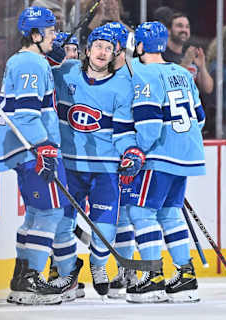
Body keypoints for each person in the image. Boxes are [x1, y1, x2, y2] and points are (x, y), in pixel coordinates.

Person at [51, 25, 141, 298]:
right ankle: (67, 276)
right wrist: (50, 56)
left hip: (105, 169)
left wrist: (131, 153)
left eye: (109, 47)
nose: (103, 51)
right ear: (87, 50)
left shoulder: (121, 86)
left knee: (106, 228)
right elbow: (39, 78)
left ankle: (98, 264)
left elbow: (124, 131)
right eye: (98, 46)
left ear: (115, 53)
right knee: (60, 224)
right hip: (69, 166)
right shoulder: (65, 73)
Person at [0, 6, 76, 306]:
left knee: (35, 213)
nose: (54, 36)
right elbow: (28, 114)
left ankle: (22, 278)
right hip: (33, 149)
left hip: (26, 149)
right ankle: (30, 279)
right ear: (35, 34)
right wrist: (43, 147)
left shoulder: (28, 60)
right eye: (51, 31)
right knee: (51, 213)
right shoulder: (30, 63)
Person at [123, 21, 206, 304]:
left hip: (158, 157)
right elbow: (201, 118)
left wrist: (136, 151)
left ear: (141, 46)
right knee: (169, 214)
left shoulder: (143, 74)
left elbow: (149, 124)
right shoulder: (182, 73)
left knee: (141, 213)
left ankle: (152, 277)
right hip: (186, 156)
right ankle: (184, 275)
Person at [98, 21, 139, 299]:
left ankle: (128, 269)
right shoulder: (99, 73)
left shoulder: (134, 76)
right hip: (100, 156)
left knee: (126, 214)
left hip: (125, 154)